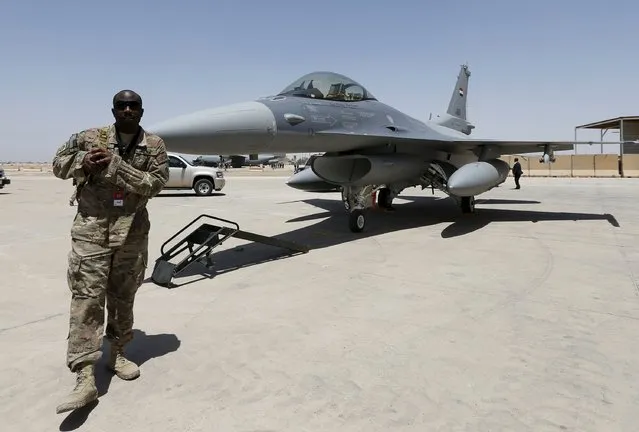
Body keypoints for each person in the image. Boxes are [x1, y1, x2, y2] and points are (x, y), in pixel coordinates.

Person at [52, 90, 169, 414]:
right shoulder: (90, 137)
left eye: (133, 106)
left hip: (132, 234)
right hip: (92, 232)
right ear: (114, 110)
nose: (128, 110)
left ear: (141, 111)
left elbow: (156, 184)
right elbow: (58, 165)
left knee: (123, 297)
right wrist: (82, 162)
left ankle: (117, 353)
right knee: (87, 299)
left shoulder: (155, 145)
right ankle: (84, 375)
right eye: (122, 106)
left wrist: (118, 167)